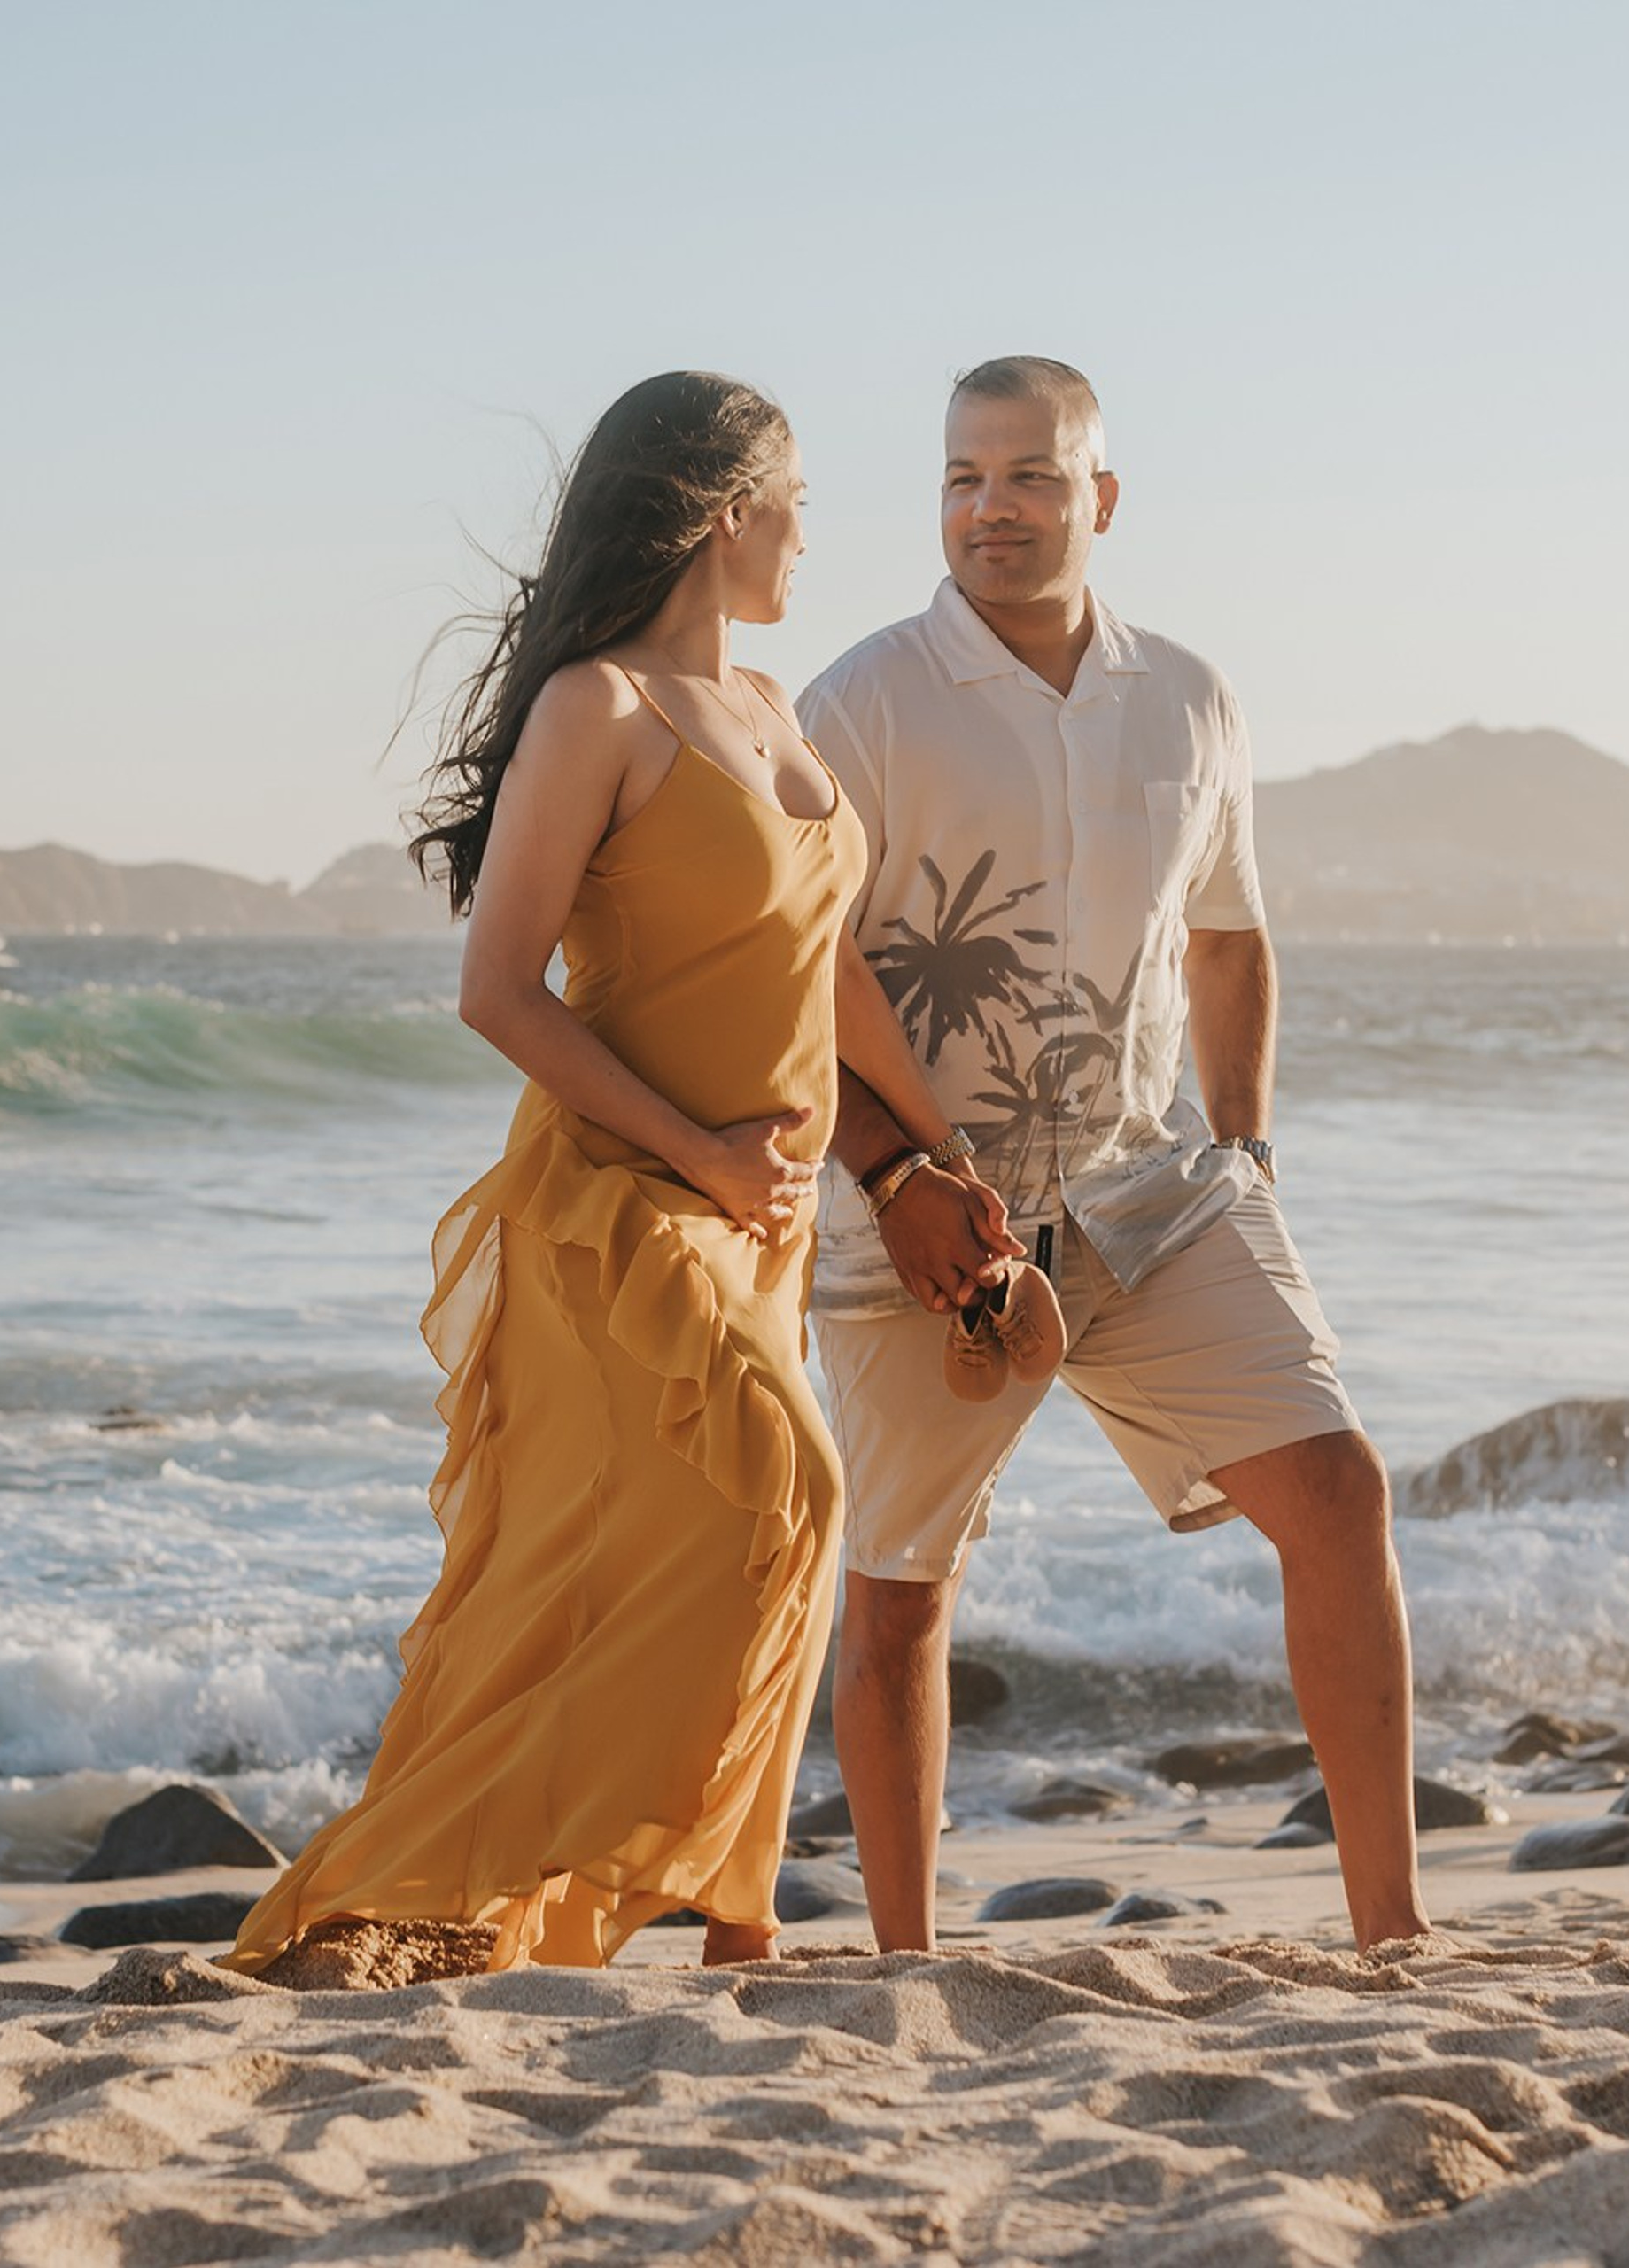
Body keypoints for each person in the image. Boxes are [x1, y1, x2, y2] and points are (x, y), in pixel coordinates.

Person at [227, 371, 984, 1975]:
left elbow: (828, 968)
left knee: (697, 1542)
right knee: (792, 1494)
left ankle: (734, 1919)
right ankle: (530, 1885)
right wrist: (698, 1149)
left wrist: (930, 1149)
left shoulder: (773, 711)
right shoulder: (600, 712)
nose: (806, 540)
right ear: (730, 515)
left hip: (762, 1220)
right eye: (795, 506)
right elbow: (497, 989)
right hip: (625, 1201)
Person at [797, 355, 1431, 1955]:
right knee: (903, 1585)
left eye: (1025, 475)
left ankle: (1395, 1937)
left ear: (1103, 496)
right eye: (960, 477)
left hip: (1155, 1193)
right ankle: (903, 1969)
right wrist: (891, 1174)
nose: (987, 508)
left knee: (1340, 1489)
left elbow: (1231, 942)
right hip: (927, 1213)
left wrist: (1253, 1154)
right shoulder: (862, 701)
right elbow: (792, 975)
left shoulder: (1192, 697)